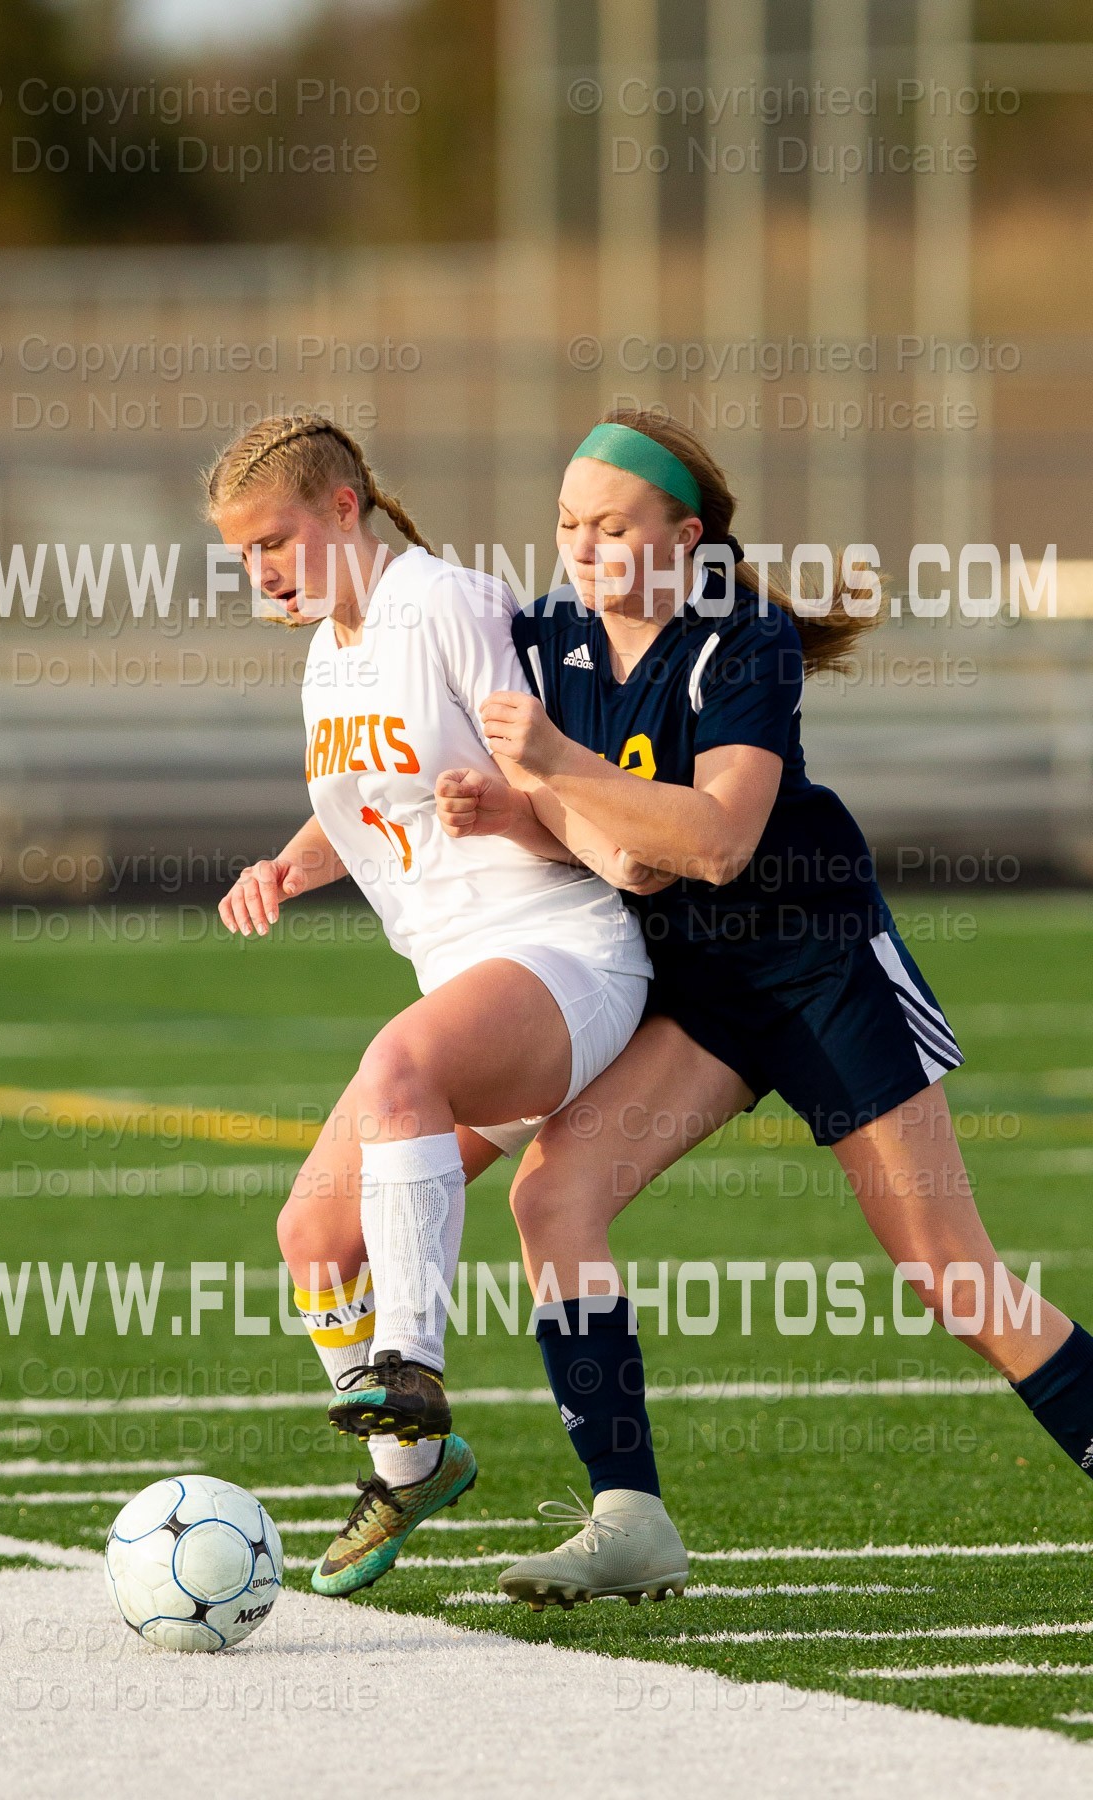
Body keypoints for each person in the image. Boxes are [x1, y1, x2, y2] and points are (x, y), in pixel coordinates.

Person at [436, 406, 1089, 1611]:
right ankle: (629, 1516)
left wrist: (556, 770)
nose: (583, 547)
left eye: (614, 525)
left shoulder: (744, 640)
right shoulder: (548, 634)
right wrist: (507, 804)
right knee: (555, 1192)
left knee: (953, 1275)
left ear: (685, 538)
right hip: (696, 989)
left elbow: (721, 839)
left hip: (817, 965)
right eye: (569, 522)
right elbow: (594, 834)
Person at [205, 410, 671, 1598]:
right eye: (243, 554)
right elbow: (370, 799)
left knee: (399, 1063)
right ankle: (415, 1463)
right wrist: (287, 865)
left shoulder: (448, 605)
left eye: (273, 541)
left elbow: (561, 767)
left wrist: (506, 804)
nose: (260, 571)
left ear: (344, 509)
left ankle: (410, 1362)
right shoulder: (330, 650)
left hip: (567, 957)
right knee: (311, 1240)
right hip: (468, 996)